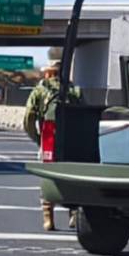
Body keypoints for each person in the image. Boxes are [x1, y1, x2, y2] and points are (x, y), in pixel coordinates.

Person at [23, 60, 82, 230]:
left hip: (49, 135)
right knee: (72, 175)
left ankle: (48, 218)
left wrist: (37, 138)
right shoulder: (74, 90)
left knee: (48, 175)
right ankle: (73, 214)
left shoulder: (40, 90)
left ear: (49, 72)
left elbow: (28, 118)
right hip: (71, 136)